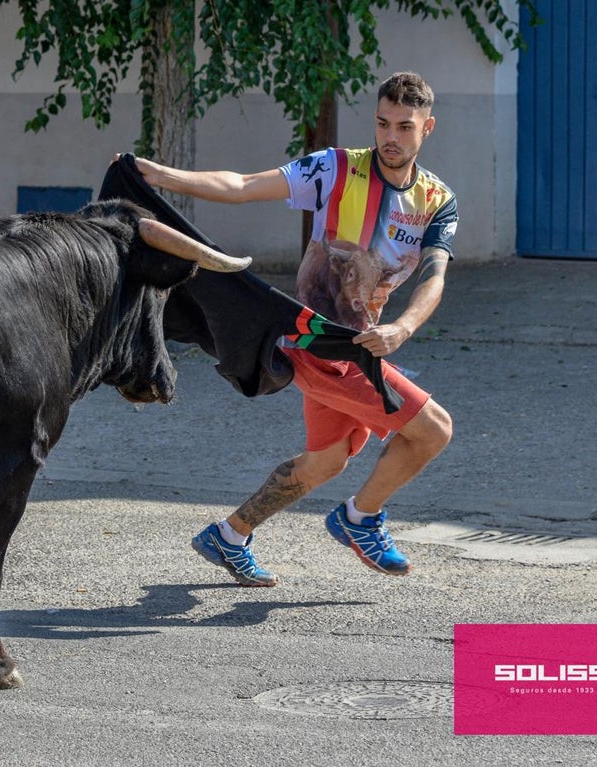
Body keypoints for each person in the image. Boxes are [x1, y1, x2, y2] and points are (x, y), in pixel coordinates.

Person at [129, 71, 457, 585]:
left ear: (427, 128)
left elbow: (435, 278)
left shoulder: (437, 201)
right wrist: (160, 176)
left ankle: (230, 534)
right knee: (433, 429)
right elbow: (240, 186)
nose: (391, 137)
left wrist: (404, 327)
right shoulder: (336, 168)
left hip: (363, 343)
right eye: (382, 123)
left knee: (325, 462)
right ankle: (360, 519)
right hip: (314, 343)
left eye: (405, 127)